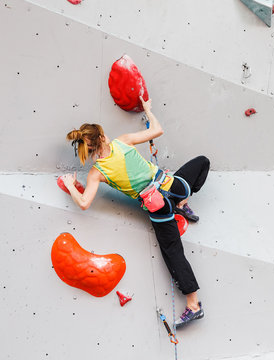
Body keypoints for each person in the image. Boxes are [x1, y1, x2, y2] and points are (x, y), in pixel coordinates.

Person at [63, 96, 209, 328]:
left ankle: (194, 305)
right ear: (101, 137)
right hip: (173, 186)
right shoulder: (123, 141)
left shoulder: (96, 173)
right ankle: (183, 203)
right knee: (202, 162)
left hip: (159, 207)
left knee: (173, 252)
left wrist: (70, 185)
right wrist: (149, 111)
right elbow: (158, 130)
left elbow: (83, 203)